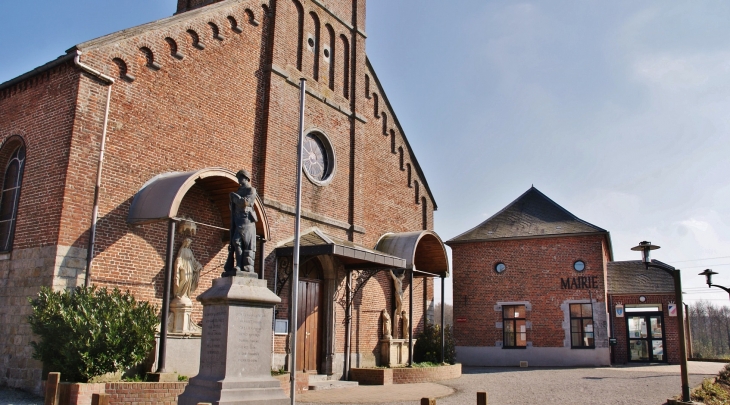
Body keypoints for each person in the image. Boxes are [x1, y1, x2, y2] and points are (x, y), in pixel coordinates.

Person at [224, 169, 258, 275]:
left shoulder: (251, 190)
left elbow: (245, 202)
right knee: (236, 242)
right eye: (238, 177)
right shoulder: (238, 191)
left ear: (246, 179)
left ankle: (245, 266)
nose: (239, 180)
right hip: (237, 220)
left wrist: (234, 198)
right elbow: (232, 207)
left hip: (246, 221)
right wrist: (232, 200)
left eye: (241, 177)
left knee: (244, 243)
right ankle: (238, 265)